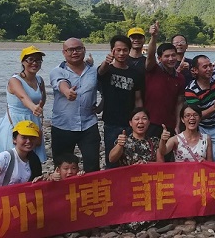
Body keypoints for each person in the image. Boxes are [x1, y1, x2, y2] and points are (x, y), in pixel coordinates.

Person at [50, 38, 101, 172]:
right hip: (63, 125)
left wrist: (102, 106)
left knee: (92, 164)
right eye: (70, 50)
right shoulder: (57, 71)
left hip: (88, 124)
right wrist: (67, 92)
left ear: (84, 50)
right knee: (62, 167)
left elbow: (106, 90)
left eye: (78, 49)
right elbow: (61, 83)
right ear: (64, 52)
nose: (75, 52)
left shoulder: (94, 71)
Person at [0, 46, 47, 163]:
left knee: (32, 159)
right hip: (16, 119)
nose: (35, 63)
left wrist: (39, 108)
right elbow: (23, 97)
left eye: (38, 60)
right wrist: (33, 107)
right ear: (23, 62)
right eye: (30, 59)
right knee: (12, 158)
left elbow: (43, 98)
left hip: (33, 120)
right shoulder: (14, 80)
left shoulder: (39, 80)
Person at [97, 35, 144, 168]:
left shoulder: (135, 73)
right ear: (112, 51)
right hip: (111, 122)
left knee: (131, 158)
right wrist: (106, 62)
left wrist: (140, 118)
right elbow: (100, 72)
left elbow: (138, 98)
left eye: (125, 50)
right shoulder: (107, 70)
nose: (122, 53)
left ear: (129, 51)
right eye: (118, 50)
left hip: (129, 122)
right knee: (112, 159)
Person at [144, 21, 186, 138]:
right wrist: (154, 37)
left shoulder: (180, 78)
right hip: (150, 122)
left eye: (173, 55)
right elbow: (150, 55)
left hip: (169, 124)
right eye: (166, 56)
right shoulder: (153, 70)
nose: (171, 59)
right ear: (159, 58)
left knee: (167, 150)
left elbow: (179, 103)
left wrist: (177, 124)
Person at [185, 55, 215, 161]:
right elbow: (195, 116)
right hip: (202, 127)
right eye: (205, 67)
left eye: (210, 65)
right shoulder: (191, 90)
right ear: (195, 70)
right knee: (201, 156)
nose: (209, 69)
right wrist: (214, 107)